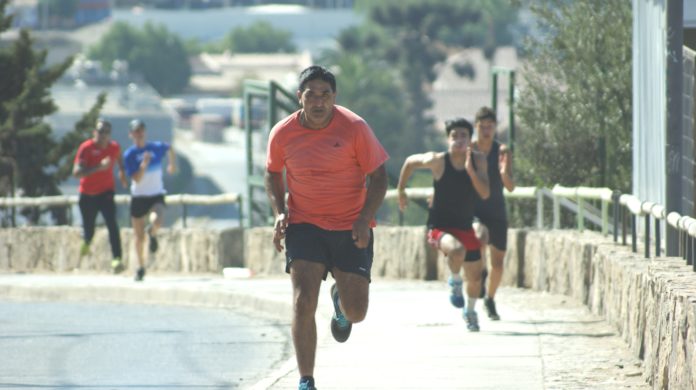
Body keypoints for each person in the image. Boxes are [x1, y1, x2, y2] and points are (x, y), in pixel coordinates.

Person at [264, 65, 389, 390]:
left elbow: (379, 176)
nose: (318, 102)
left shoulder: (354, 128)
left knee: (357, 311)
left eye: (326, 95)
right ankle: (306, 379)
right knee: (302, 301)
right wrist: (279, 213)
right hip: (304, 224)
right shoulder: (283, 133)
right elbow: (272, 173)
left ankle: (341, 304)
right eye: (311, 95)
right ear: (299, 97)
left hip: (350, 226)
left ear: (334, 97)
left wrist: (364, 218)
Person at [397, 117, 489, 332]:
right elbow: (410, 162)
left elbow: (484, 193)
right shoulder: (437, 161)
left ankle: (471, 311)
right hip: (440, 227)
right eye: (454, 136)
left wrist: (471, 171)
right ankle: (455, 281)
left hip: (466, 224)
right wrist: (402, 190)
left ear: (470, 139)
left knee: (475, 277)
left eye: (463, 136)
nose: (458, 140)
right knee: (457, 251)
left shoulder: (478, 161)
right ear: (448, 139)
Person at [472, 106, 515, 321]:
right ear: (476, 127)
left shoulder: (503, 152)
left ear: (495, 128)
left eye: (490, 126)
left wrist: (502, 171)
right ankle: (479, 274)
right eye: (483, 126)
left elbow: (510, 186)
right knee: (480, 236)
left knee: (498, 263)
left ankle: (489, 298)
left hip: (496, 211)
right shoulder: (469, 150)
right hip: (474, 210)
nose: (487, 130)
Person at [123, 119, 176, 282]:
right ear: (131, 134)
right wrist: (144, 165)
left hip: (155, 193)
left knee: (158, 219)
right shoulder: (130, 155)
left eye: (141, 131)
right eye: (136, 131)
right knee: (138, 237)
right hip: (139, 195)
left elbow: (170, 148)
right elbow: (136, 179)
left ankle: (151, 231)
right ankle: (140, 267)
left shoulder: (155, 148)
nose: (139, 134)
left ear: (145, 132)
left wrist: (172, 165)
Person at [73, 119, 128, 273]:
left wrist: (123, 175)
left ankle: (117, 259)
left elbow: (120, 161)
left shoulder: (114, 147)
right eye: (100, 131)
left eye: (106, 132)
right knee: (89, 230)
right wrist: (99, 167)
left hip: (106, 193)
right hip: (87, 195)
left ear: (110, 135)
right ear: (94, 132)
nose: (103, 136)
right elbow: (77, 173)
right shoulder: (86, 148)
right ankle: (85, 245)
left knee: (112, 224)